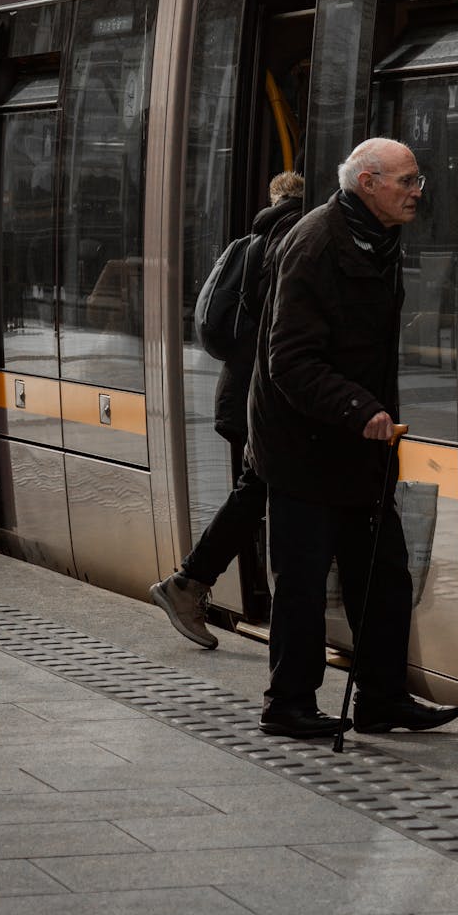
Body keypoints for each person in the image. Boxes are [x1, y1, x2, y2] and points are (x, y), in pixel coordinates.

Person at [246, 138, 458, 739]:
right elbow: (288, 359)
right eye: (407, 180)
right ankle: (287, 703)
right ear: (368, 184)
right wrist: (357, 406)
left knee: (383, 575)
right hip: (302, 447)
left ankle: (382, 698)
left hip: (357, 446)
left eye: (418, 179)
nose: (418, 191)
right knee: (303, 582)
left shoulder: (376, 236)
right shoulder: (316, 243)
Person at [150, 171, 304, 648]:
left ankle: (193, 585)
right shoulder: (288, 241)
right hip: (263, 400)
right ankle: (188, 583)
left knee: (256, 493)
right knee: (256, 494)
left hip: (242, 395)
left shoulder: (252, 241)